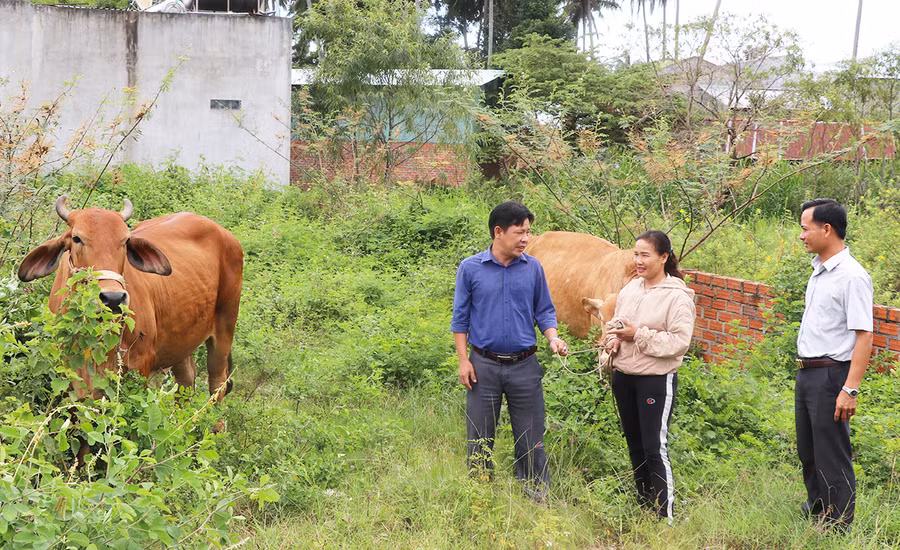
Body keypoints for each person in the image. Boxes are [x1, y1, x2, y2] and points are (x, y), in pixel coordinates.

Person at [451, 201, 568, 501]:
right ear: (498, 232)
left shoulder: (533, 268)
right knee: (479, 435)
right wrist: (464, 361)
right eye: (519, 232)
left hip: (524, 366)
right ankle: (479, 495)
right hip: (483, 365)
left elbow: (545, 311)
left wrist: (553, 338)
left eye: (528, 232)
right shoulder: (470, 268)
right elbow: (460, 319)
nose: (525, 239)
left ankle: (535, 493)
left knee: (531, 435)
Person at [603, 230, 695, 522]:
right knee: (634, 442)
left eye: (645, 255)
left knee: (654, 446)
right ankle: (643, 504)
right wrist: (614, 340)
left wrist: (637, 335)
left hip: (655, 379)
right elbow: (616, 325)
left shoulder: (678, 297)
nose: (638, 261)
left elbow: (678, 343)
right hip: (624, 376)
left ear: (664, 257)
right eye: (635, 254)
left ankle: (664, 515)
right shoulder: (630, 289)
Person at [795, 198, 873, 531]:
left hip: (831, 375)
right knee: (809, 449)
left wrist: (849, 389)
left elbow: (864, 336)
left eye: (805, 228)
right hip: (808, 372)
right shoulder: (819, 270)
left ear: (827, 229)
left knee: (831, 451)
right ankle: (818, 507)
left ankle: (838, 524)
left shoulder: (852, 277)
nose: (801, 236)